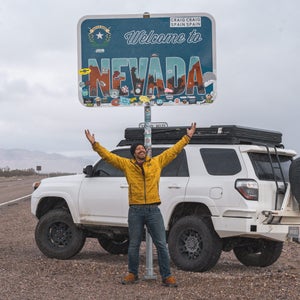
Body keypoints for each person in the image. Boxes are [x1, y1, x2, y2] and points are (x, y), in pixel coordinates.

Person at [85, 123, 196, 287]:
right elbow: (108, 156)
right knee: (134, 244)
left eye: (142, 148)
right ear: (134, 154)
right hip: (135, 210)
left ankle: (167, 276)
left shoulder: (156, 163)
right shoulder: (126, 166)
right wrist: (95, 144)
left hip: (153, 210)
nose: (141, 150)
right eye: (138, 149)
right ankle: (132, 273)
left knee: (161, 244)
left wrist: (187, 137)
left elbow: (173, 152)